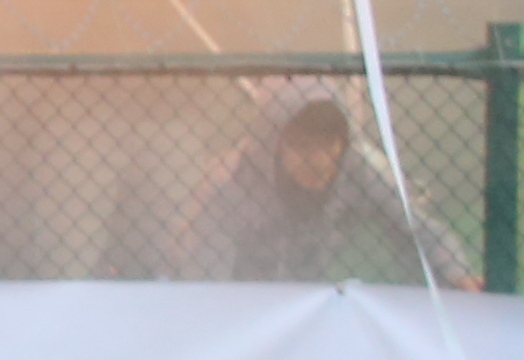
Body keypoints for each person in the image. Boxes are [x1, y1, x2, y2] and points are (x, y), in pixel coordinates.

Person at [178, 88, 479, 289]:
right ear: (276, 147)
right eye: (304, 147)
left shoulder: (362, 165)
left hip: (310, 295)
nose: (320, 162)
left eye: (329, 145)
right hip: (244, 297)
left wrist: (456, 274)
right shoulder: (233, 179)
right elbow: (198, 263)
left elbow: (418, 227)